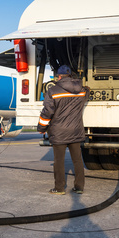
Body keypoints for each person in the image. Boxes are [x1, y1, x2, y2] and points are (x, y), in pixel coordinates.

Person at [37, 65, 90, 195]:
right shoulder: (81, 90)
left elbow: (47, 111)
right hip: (76, 131)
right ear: (70, 76)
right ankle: (79, 187)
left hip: (59, 131)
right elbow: (87, 93)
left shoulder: (53, 91)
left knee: (59, 161)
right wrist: (87, 89)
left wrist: (42, 127)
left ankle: (59, 188)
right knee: (77, 160)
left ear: (59, 77)